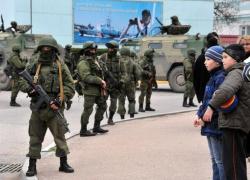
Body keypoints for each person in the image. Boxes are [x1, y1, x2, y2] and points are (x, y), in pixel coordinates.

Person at [20, 37, 75, 176]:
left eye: (48, 48)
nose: (46, 50)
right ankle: (32, 165)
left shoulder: (60, 64)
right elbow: (21, 80)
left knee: (60, 136)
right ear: (40, 49)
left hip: (54, 106)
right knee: (35, 137)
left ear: (53, 49)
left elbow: (70, 84)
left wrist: (61, 99)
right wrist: (29, 89)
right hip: (38, 108)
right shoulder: (34, 63)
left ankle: (63, 163)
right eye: (43, 48)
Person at [203, 44, 250, 180]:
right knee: (236, 165)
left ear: (235, 59)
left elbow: (225, 91)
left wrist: (211, 106)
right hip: (238, 124)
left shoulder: (236, 72)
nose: (222, 60)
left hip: (233, 125)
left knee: (233, 168)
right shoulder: (243, 72)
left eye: (225, 57)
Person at [193, 45, 225, 180]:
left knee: (220, 161)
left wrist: (204, 116)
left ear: (217, 61)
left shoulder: (220, 78)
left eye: (208, 59)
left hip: (216, 126)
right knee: (214, 159)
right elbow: (207, 101)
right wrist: (199, 114)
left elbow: (218, 103)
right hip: (210, 125)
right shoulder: (213, 77)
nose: (205, 62)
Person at [77, 41, 109, 136]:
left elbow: (103, 72)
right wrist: (100, 81)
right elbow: (86, 77)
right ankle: (83, 130)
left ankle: (96, 127)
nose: (93, 51)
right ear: (86, 50)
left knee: (103, 106)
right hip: (90, 90)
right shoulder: (83, 62)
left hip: (99, 89)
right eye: (91, 49)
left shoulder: (97, 61)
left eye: (94, 49)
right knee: (88, 110)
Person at [99, 40, 126, 125]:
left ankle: (110, 118)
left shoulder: (119, 60)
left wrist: (121, 82)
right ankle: (98, 121)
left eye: (112, 48)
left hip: (115, 86)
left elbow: (124, 73)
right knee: (102, 103)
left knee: (114, 104)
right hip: (105, 85)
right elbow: (98, 69)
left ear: (116, 49)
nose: (110, 50)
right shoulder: (103, 57)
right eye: (109, 48)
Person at [193, 32, 219, 103]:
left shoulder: (222, 56)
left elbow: (195, 79)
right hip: (208, 95)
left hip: (214, 95)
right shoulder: (221, 56)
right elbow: (196, 77)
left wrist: (199, 96)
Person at [117, 47, 140, 119]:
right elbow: (137, 73)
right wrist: (136, 81)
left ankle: (122, 116)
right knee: (131, 100)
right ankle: (131, 115)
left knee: (121, 100)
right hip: (131, 83)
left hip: (121, 83)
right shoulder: (132, 61)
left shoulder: (118, 61)